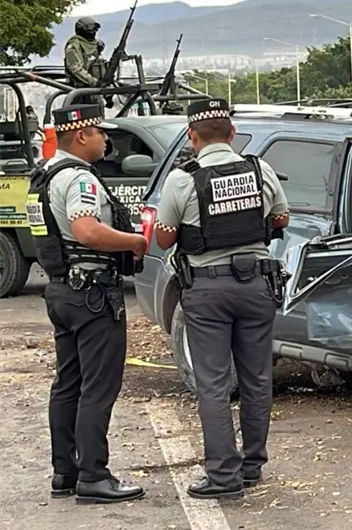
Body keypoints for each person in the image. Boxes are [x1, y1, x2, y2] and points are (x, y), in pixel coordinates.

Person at [153, 98, 291, 500]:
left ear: (192, 137)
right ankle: (252, 466)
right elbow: (282, 218)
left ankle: (223, 476)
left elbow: (163, 236)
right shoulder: (259, 170)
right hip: (256, 286)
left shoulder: (182, 179)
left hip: (207, 290)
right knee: (257, 379)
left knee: (213, 384)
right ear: (232, 134)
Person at [25, 104, 148, 504]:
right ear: (81, 135)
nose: (105, 140)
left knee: (68, 384)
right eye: (100, 132)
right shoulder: (79, 178)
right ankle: (94, 475)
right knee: (98, 386)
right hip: (92, 294)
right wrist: (135, 241)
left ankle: (66, 471)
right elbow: (88, 231)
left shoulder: (43, 175)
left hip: (62, 290)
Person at [64, 17, 112, 107]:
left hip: (96, 93)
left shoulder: (96, 45)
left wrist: (108, 96)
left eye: (94, 28)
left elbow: (101, 70)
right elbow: (75, 68)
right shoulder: (74, 44)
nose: (93, 31)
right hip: (80, 92)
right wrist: (94, 82)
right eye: (90, 28)